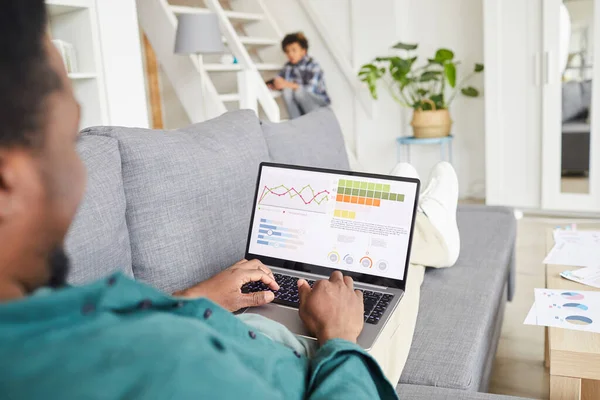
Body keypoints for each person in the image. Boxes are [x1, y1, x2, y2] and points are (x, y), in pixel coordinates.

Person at [0, 2, 459, 398]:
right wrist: (339, 338)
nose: (81, 169)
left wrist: (197, 297)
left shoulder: (47, 322)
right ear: (8, 183)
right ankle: (429, 227)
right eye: (67, 140)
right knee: (401, 270)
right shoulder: (164, 368)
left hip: (242, 327)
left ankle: (423, 220)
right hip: (317, 364)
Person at [270, 32, 331, 119]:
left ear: (303, 51)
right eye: (287, 51)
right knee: (287, 91)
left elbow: (310, 90)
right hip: (301, 103)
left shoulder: (313, 65)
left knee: (298, 92)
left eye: (294, 50)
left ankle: (313, 120)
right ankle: (296, 122)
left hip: (318, 101)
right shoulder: (288, 66)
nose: (290, 54)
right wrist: (276, 83)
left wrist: (287, 84)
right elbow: (280, 80)